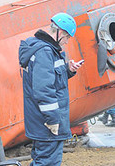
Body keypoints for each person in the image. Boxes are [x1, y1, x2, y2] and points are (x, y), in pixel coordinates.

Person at [18, 12, 83, 166]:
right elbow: (44, 90)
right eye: (67, 37)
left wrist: (68, 69)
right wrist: (53, 120)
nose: (66, 42)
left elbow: (50, 80)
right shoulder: (45, 52)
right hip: (47, 123)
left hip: (43, 121)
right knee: (48, 162)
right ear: (60, 32)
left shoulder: (46, 51)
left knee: (43, 160)